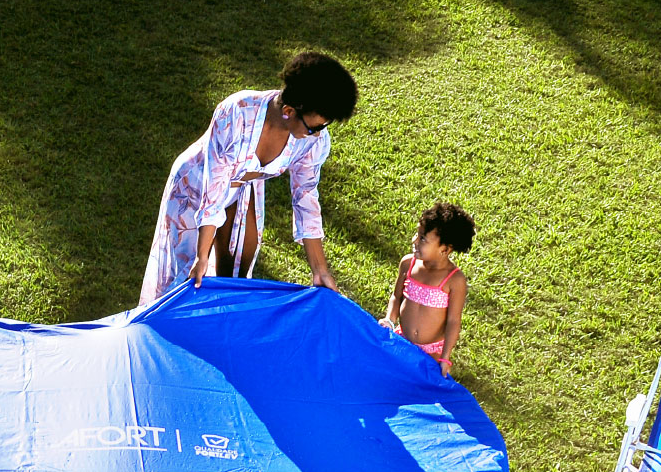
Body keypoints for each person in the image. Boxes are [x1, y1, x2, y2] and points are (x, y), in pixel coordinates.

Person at [139, 52, 357, 306]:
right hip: (196, 185)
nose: (318, 134)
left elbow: (306, 199)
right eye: (314, 128)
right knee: (187, 276)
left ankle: (222, 326)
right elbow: (214, 187)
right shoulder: (237, 112)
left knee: (237, 272)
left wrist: (320, 270)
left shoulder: (313, 141)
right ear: (289, 111)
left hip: (242, 188)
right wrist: (201, 255)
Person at [380, 203, 475, 378]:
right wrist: (389, 320)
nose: (414, 241)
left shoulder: (454, 280)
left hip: (432, 353)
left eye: (423, 239)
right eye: (417, 234)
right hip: (402, 341)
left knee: (419, 387)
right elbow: (396, 296)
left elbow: (453, 321)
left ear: (444, 249)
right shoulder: (408, 264)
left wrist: (445, 357)